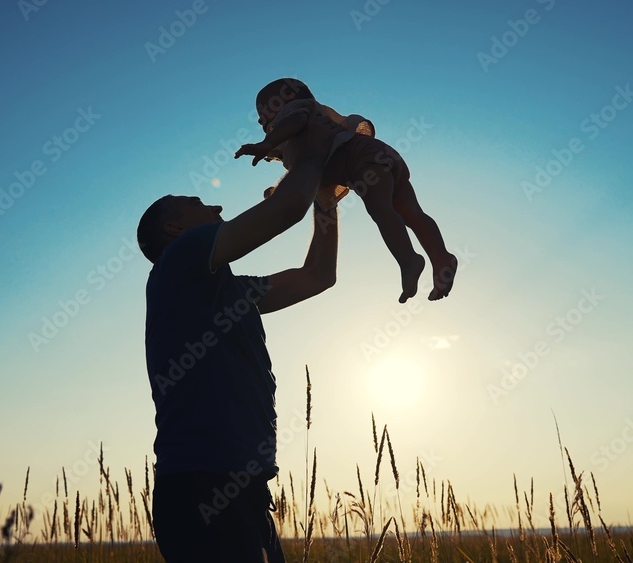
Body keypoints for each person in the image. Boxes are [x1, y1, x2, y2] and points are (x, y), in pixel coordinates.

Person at [136, 105, 339, 562]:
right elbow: (285, 208)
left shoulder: (228, 292)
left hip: (240, 489)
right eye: (197, 204)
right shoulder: (180, 258)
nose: (217, 206)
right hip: (201, 488)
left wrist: (325, 198)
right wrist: (316, 152)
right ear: (176, 228)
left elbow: (317, 276)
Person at [235, 77, 458, 304]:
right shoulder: (302, 130)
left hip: (361, 160)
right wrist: (276, 188)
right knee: (411, 212)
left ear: (287, 99)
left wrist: (266, 143)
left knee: (381, 209)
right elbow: (297, 172)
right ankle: (441, 257)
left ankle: (408, 259)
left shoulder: (295, 113)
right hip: (378, 154)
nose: (261, 120)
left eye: (264, 111)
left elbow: (295, 124)